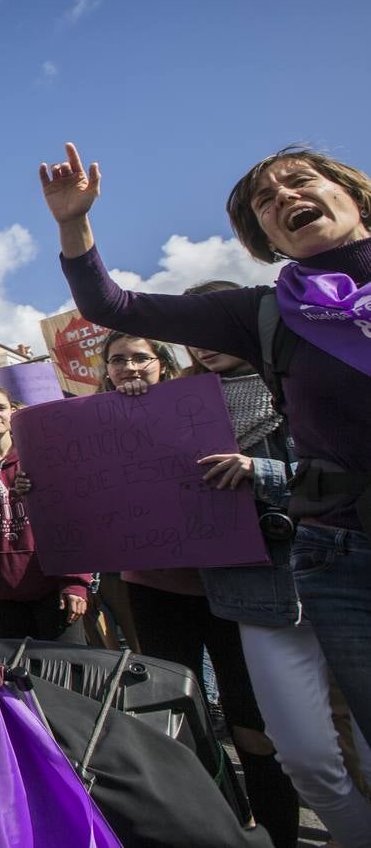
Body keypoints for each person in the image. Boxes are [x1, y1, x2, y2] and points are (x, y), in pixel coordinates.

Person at [43, 141, 371, 747]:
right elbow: (109, 303)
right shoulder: (266, 314)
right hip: (343, 551)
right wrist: (73, 221)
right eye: (266, 203)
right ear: (265, 239)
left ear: (353, 194)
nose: (285, 199)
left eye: (299, 182)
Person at [182, 280, 369, 846]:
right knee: (305, 757)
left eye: (212, 327)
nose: (201, 343)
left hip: (346, 576)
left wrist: (260, 472)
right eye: (191, 334)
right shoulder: (180, 414)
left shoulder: (313, 382)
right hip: (256, 594)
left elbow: (350, 474)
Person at [95, 328, 299, 842]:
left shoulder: (208, 402)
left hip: (233, 585)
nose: (129, 368)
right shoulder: (92, 423)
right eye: (117, 360)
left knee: (250, 722)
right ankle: (220, 826)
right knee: (181, 721)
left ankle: (278, 832)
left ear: (162, 362)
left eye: (140, 357)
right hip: (154, 590)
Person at [0, 383, 91, 642]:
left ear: (13, 412)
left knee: (67, 673)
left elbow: (71, 519)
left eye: (1, 407)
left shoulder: (40, 457)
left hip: (55, 591)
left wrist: (76, 581)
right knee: (17, 675)